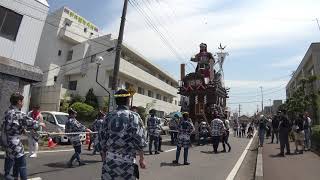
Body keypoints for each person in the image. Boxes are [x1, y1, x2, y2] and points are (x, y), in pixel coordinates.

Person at [99, 89, 146, 180]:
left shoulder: (108, 116)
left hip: (110, 162)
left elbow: (101, 139)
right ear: (128, 100)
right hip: (127, 164)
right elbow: (139, 139)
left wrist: (104, 158)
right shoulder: (134, 116)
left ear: (116, 101)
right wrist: (141, 158)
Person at [1, 92, 45, 180]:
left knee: (10, 157)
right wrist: (41, 123)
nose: (23, 103)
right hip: (14, 141)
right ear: (18, 102)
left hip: (5, 140)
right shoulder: (18, 113)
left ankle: (10, 175)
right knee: (22, 163)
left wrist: (22, 129)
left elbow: (12, 125)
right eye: (22, 101)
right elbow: (32, 123)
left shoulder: (7, 111)